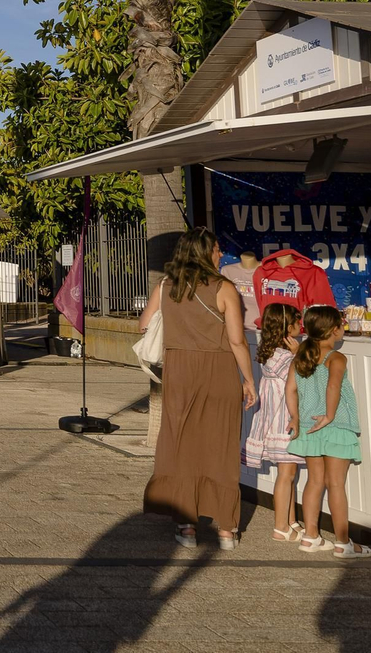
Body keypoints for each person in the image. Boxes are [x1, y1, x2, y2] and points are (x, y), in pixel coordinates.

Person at [140, 228, 257, 550]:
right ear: (205, 252)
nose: (221, 255)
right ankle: (226, 529)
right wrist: (248, 380)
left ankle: (187, 526)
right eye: (217, 249)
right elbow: (236, 340)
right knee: (221, 446)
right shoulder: (224, 288)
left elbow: (145, 326)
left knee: (181, 445)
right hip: (218, 370)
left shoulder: (165, 287)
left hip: (180, 370)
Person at [287, 306, 371, 558]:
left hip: (310, 427)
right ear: (334, 330)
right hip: (334, 426)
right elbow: (333, 385)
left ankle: (310, 536)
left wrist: (295, 417)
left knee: (314, 481)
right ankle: (343, 542)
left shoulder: (301, 356)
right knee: (336, 484)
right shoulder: (336, 357)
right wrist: (330, 415)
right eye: (341, 324)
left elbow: (290, 389)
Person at [243, 303, 304, 542]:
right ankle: (280, 526)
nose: (301, 326)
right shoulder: (284, 357)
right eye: (297, 322)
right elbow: (300, 376)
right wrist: (299, 354)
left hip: (276, 418)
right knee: (286, 474)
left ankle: (291, 521)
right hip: (283, 420)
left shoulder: (270, 352)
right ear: (287, 327)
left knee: (289, 472)